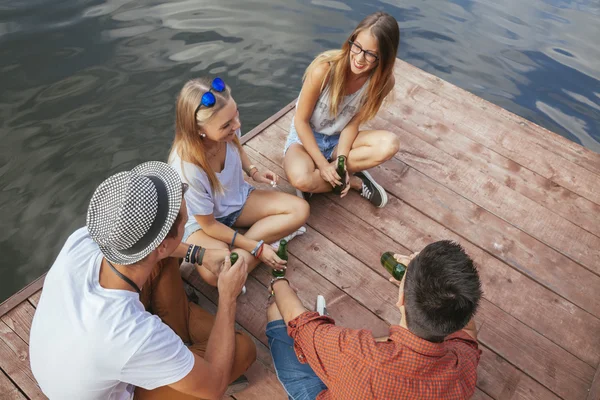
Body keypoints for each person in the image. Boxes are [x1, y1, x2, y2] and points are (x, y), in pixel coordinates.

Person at [30, 161, 256, 400]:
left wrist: (200, 254)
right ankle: (182, 369)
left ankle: (176, 351)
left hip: (64, 363)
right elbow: (214, 387)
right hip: (114, 386)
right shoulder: (133, 333)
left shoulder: (84, 239)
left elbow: (161, 249)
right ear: (161, 244)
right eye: (184, 222)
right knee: (242, 350)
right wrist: (227, 298)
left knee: (163, 260)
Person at [266, 240, 483, 399]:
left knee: (277, 311)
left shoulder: (353, 352)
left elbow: (298, 320)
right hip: (359, 377)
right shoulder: (463, 366)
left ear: (400, 299)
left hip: (343, 378)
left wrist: (278, 283)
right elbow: (468, 334)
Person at [169, 77, 310, 286]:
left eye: (236, 115)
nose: (237, 125)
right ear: (199, 130)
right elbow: (208, 225)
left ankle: (240, 261)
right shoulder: (186, 168)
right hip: (201, 225)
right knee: (214, 276)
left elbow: (238, 147)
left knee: (300, 209)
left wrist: (253, 172)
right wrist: (256, 247)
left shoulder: (229, 131)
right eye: (227, 124)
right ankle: (261, 246)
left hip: (236, 201)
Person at [283, 12, 401, 208]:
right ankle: (354, 182)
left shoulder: (383, 82)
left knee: (389, 144)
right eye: (357, 47)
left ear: (384, 58)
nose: (360, 58)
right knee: (300, 180)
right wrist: (322, 164)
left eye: (371, 54)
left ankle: (330, 177)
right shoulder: (325, 69)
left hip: (340, 139)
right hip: (306, 138)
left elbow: (353, 122)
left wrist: (341, 159)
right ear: (351, 41)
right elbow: (300, 121)